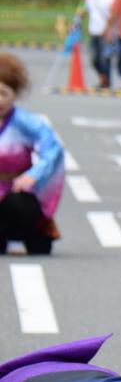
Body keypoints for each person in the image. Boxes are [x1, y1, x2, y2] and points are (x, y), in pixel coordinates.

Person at [0, 53, 65, 255]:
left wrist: (33, 175)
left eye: (3, 93)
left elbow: (53, 149)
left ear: (15, 95)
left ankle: (35, 232)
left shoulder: (26, 123)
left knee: (19, 206)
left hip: (17, 190)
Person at [82, 0, 114, 89]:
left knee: (105, 58)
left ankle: (107, 81)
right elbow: (84, 11)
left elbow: (113, 16)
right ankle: (103, 78)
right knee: (94, 60)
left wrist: (108, 30)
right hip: (93, 31)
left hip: (105, 32)